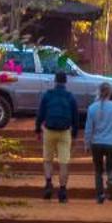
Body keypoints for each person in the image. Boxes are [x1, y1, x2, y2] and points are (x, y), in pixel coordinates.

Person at [34, 71, 78, 202]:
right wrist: (74, 133)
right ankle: (63, 190)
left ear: (55, 81)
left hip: (49, 130)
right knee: (63, 162)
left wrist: (37, 130)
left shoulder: (48, 95)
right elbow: (75, 117)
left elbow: (40, 114)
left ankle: (48, 184)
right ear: (65, 82)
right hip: (65, 132)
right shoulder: (70, 97)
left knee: (48, 160)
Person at [84, 92, 112, 203]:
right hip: (111, 142)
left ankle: (100, 195)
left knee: (98, 170)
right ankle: (111, 180)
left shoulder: (92, 108)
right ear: (109, 94)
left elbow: (88, 128)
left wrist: (87, 143)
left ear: (99, 93)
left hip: (96, 142)